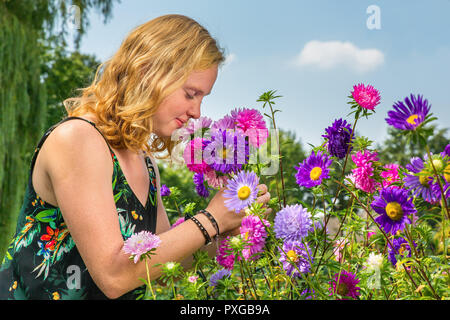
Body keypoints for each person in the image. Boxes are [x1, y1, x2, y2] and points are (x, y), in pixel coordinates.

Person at [0, 14, 270, 300]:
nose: (197, 112)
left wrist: (227, 234)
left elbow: (164, 269)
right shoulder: (78, 139)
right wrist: (212, 219)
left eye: (202, 98)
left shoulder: (145, 160)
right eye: (191, 94)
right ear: (148, 72)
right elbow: (114, 276)